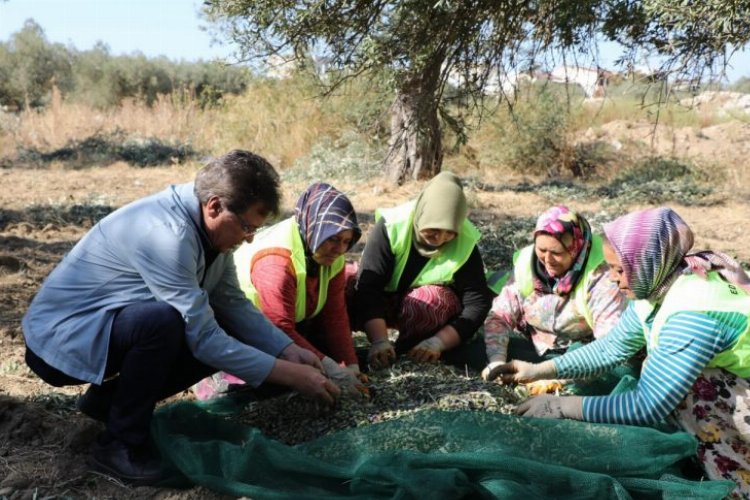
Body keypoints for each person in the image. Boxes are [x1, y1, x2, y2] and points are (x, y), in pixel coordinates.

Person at [21, 150, 341, 486]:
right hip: (59, 343)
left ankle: (109, 403)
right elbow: (203, 339)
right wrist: (291, 375)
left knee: (207, 325)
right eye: (247, 226)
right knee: (164, 323)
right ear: (215, 206)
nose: (249, 238)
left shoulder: (211, 234)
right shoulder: (168, 235)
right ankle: (119, 446)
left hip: (105, 330)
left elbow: (231, 302)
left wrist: (286, 350)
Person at [490, 207, 750, 496]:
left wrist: (560, 406)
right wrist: (538, 370)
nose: (612, 278)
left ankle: (737, 485)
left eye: (618, 269)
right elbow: (613, 347)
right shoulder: (662, 283)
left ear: (649, 262)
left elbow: (648, 405)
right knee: (656, 365)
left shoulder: (693, 312)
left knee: (691, 386)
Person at [196, 182, 366, 399]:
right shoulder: (277, 263)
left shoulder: (330, 255)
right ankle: (215, 378)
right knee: (269, 386)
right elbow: (279, 327)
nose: (339, 249)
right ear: (313, 228)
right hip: (242, 329)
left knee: (322, 363)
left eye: (346, 241)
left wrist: (350, 365)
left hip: (287, 325)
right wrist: (331, 368)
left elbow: (335, 315)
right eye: (332, 239)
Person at [350, 171, 493, 369]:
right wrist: (379, 340)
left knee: (431, 300)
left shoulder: (465, 241)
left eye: (449, 233)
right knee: (345, 284)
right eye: (432, 230)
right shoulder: (393, 226)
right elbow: (368, 288)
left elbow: (476, 302)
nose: (440, 239)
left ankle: (410, 350)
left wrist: (438, 342)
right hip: (382, 302)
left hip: (422, 312)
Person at [481, 205, 628, 393]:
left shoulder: (601, 277)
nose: (548, 259)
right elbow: (500, 316)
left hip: (581, 354)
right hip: (537, 346)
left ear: (575, 249)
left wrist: (556, 379)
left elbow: (607, 347)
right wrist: (496, 361)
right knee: (472, 351)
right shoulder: (528, 264)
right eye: (541, 250)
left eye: (557, 253)